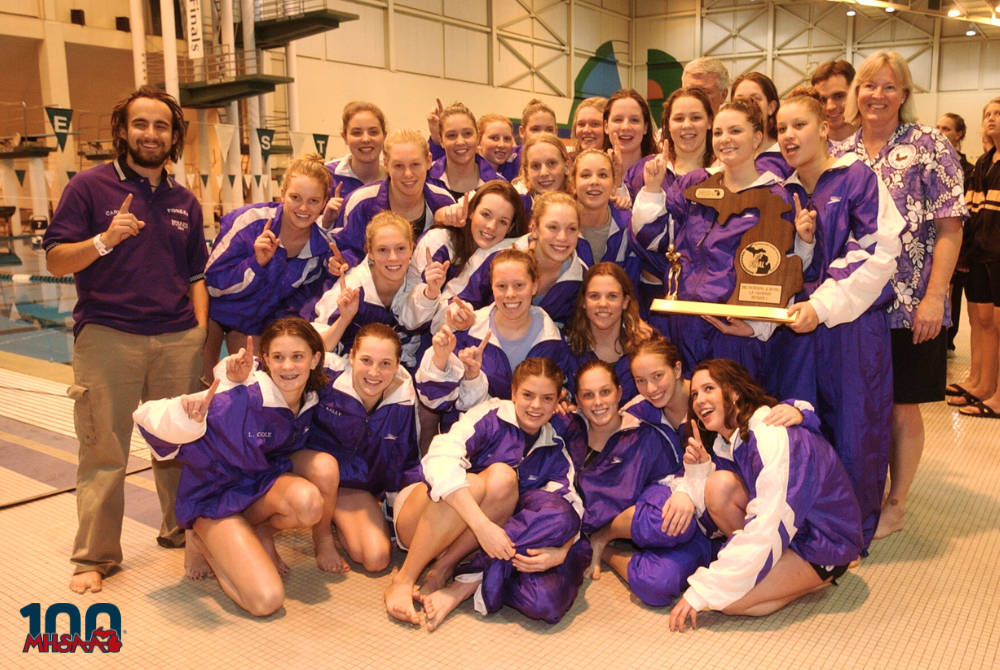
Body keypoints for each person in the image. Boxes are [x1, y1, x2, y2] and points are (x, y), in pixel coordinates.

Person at [43, 87, 208, 594]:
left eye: (161, 126)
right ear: (122, 131)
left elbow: (197, 273)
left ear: (174, 136)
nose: (151, 134)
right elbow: (54, 259)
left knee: (178, 445)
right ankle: (95, 556)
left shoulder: (185, 201)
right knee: (103, 449)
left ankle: (181, 530)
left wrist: (198, 333)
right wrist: (103, 240)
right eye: (141, 124)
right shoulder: (89, 188)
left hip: (175, 337)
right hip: (109, 335)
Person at [833, 51, 967, 539]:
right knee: (860, 402)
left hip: (911, 305)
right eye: (869, 86)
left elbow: (950, 229)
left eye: (890, 87)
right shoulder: (841, 149)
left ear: (905, 95)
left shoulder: (928, 144)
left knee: (901, 405)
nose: (877, 96)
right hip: (852, 307)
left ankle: (896, 502)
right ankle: (860, 492)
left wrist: (935, 298)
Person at [773, 88, 906, 551]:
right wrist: (804, 245)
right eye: (781, 128)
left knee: (856, 428)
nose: (789, 135)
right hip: (801, 330)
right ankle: (811, 526)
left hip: (852, 329)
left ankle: (852, 533)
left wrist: (823, 306)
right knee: (806, 424)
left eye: (799, 125)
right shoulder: (786, 191)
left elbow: (877, 250)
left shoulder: (857, 178)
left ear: (824, 128)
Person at [134, 318, 330, 616]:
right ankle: (202, 540)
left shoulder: (308, 398)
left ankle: (258, 534)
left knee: (309, 502)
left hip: (257, 487)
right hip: (214, 500)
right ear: (265, 360)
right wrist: (186, 419)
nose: (288, 366)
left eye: (297, 357)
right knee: (266, 601)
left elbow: (362, 364)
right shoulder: (238, 398)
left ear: (315, 359)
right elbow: (146, 417)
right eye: (278, 357)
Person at [668, 360, 864, 631]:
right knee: (717, 485)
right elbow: (720, 506)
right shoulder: (732, 440)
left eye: (709, 388)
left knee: (727, 601)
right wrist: (700, 471)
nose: (700, 400)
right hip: (794, 533)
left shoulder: (769, 435)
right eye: (695, 394)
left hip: (824, 543)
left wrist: (704, 589)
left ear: (735, 393)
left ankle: (822, 578)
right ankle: (771, 568)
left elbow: (768, 522)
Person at [385, 357, 580, 626]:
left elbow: (571, 508)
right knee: (484, 480)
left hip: (464, 545)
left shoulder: (554, 448)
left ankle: (440, 572)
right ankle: (404, 579)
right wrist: (481, 526)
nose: (536, 406)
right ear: (513, 393)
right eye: (527, 395)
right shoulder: (490, 415)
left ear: (558, 399)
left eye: (547, 398)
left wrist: (564, 550)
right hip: (418, 520)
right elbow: (439, 457)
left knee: (508, 484)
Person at [632, 97, 799, 383]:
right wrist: (651, 189)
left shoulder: (775, 197)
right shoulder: (697, 187)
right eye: (719, 132)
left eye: (735, 131)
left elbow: (785, 270)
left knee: (736, 417)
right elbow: (655, 239)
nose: (725, 140)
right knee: (694, 418)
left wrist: (759, 326)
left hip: (734, 333)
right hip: (686, 324)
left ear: (757, 138)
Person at [574, 360, 712, 607]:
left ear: (619, 391)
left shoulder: (646, 432)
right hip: (625, 531)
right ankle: (605, 547)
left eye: (605, 392)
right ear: (577, 399)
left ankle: (603, 541)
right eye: (588, 395)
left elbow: (673, 481)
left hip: (662, 514)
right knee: (656, 584)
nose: (597, 402)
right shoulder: (567, 432)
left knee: (672, 523)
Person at [204, 153, 332, 364]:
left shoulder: (320, 250)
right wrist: (255, 263)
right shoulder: (249, 221)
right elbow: (212, 284)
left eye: (313, 201)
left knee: (258, 387)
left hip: (255, 327)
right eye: (295, 198)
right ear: (282, 194)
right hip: (216, 317)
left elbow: (298, 304)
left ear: (324, 203)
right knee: (206, 388)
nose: (303, 208)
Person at [416, 248, 572, 420]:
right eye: (501, 286)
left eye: (519, 285)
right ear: (492, 287)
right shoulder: (468, 332)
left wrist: (560, 399)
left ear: (535, 286)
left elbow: (562, 390)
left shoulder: (551, 339)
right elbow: (435, 400)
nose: (510, 294)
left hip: (529, 434)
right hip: (476, 436)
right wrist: (440, 360)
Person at [627, 87, 715, 317]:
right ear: (667, 125)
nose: (687, 125)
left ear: (710, 122)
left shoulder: (725, 174)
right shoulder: (645, 170)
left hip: (706, 295)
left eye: (696, 117)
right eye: (678, 118)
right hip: (652, 293)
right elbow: (634, 235)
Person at [400, 180, 528, 335]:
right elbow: (406, 319)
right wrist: (430, 293)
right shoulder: (440, 242)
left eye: (502, 222)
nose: (491, 226)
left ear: (510, 228)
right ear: (471, 211)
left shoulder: (508, 256)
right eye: (486, 215)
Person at [312, 211, 420, 369]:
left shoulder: (417, 287)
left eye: (401, 248)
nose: (393, 258)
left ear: (412, 248)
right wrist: (344, 319)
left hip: (388, 370)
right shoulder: (351, 287)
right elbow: (317, 350)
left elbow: (408, 350)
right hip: (341, 369)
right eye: (382, 250)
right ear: (370, 252)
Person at [334, 129, 456, 267]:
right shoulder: (361, 203)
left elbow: (456, 261)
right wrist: (342, 262)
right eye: (398, 166)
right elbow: (344, 251)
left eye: (415, 164)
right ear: (386, 164)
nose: (408, 174)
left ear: (428, 161)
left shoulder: (444, 202)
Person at [955, 99, 1000, 420]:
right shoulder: (984, 163)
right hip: (982, 253)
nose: (991, 119)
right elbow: (971, 214)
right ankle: (984, 384)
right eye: (987, 114)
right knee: (984, 322)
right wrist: (967, 253)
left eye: (998, 114)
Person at [564, 263, 651, 403]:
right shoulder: (567, 348)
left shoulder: (646, 346)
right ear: (583, 302)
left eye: (612, 296)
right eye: (594, 296)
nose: (603, 304)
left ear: (625, 302)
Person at [512, 191, 590, 326]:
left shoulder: (581, 278)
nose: (562, 237)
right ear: (535, 229)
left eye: (571, 229)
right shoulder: (498, 258)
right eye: (553, 227)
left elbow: (573, 332)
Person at [936, 112, 976, 357]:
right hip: (938, 235)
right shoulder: (931, 160)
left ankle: (950, 339)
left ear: (959, 134)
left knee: (955, 293)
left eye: (947, 128)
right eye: (938, 127)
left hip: (960, 237)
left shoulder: (969, 169)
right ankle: (939, 337)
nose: (941, 131)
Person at [572, 149, 640, 285]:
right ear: (573, 184)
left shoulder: (629, 227)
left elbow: (631, 291)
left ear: (614, 184)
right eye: (585, 175)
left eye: (602, 175)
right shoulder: (561, 227)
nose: (594, 181)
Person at [322, 101, 388, 228]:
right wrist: (325, 222)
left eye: (373, 132)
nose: (366, 139)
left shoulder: (395, 177)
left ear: (384, 135)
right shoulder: (326, 176)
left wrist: (435, 140)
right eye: (357, 133)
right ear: (345, 137)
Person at [427, 102, 501, 200]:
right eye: (451, 135)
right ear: (441, 141)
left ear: (478, 138)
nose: (460, 142)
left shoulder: (498, 185)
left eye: (467, 133)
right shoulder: (426, 179)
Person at [731, 72, 791, 179]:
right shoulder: (725, 154)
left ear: (771, 107)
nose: (746, 105)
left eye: (755, 99)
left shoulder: (787, 154)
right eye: (739, 100)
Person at [603, 89, 658, 199]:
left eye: (634, 120)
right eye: (618, 120)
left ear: (645, 127)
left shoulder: (658, 172)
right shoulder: (593, 172)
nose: (626, 127)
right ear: (606, 126)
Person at [516, 133, 572, 218]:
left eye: (551, 163)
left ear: (566, 167)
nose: (544, 173)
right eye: (536, 166)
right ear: (527, 172)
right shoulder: (516, 201)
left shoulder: (581, 201)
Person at [811, 60, 858, 145]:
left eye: (839, 96)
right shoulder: (808, 148)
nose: (830, 107)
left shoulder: (879, 143)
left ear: (856, 94)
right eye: (823, 100)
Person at [477, 113, 520, 181]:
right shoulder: (470, 175)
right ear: (478, 141)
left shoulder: (511, 172)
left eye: (507, 139)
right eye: (494, 138)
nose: (501, 145)